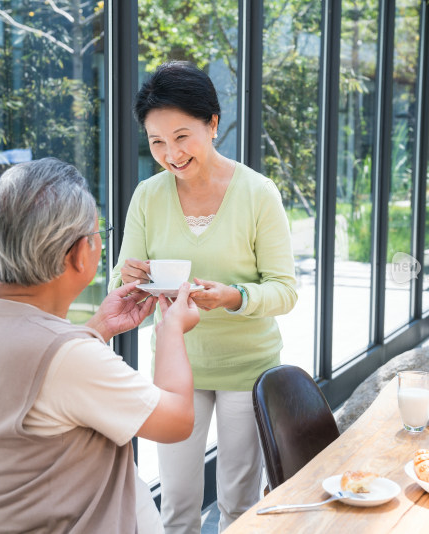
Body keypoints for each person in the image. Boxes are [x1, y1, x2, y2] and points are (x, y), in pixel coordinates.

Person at [0, 157, 200, 534]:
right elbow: (178, 421)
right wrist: (171, 331)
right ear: (80, 253)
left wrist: (96, 328)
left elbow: (42, 380)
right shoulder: (68, 357)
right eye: (99, 235)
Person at [110, 61, 298, 534]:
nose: (170, 153)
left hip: (244, 366)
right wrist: (130, 278)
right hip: (176, 371)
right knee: (176, 507)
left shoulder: (258, 193)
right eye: (156, 142)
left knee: (238, 503)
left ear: (212, 124)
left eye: (181, 136)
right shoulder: (147, 197)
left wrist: (234, 297)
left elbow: (285, 290)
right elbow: (121, 284)